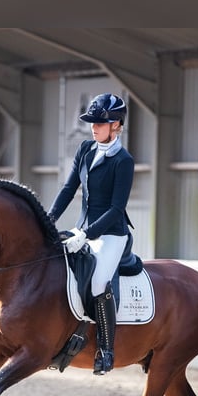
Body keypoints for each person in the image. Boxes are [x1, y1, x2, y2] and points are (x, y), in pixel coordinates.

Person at [48, 93, 135, 375]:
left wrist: (85, 235)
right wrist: (48, 219)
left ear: (117, 125)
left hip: (110, 233)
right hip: (83, 228)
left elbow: (116, 208)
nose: (94, 127)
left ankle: (106, 350)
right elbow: (68, 189)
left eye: (101, 123)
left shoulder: (123, 160)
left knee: (98, 283)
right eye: (92, 123)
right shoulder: (85, 149)